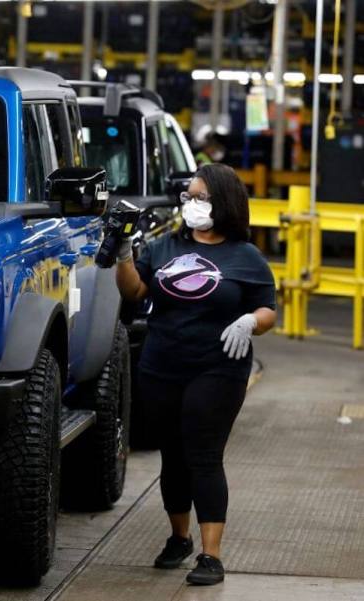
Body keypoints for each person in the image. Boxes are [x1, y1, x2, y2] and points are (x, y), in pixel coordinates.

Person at [114, 163, 277, 585]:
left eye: (200, 197)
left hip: (218, 368)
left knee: (203, 454)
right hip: (162, 364)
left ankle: (212, 556)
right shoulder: (165, 246)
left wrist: (249, 323)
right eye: (187, 197)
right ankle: (179, 537)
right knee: (173, 455)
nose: (190, 204)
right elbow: (134, 292)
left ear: (222, 202)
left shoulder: (246, 257)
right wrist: (123, 255)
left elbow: (267, 309)